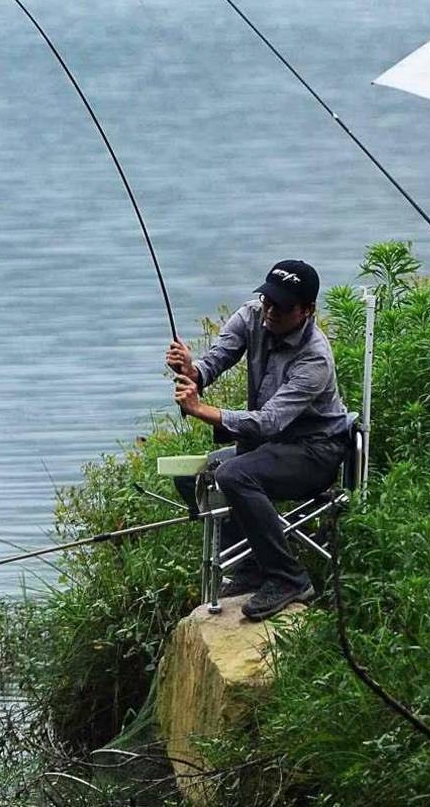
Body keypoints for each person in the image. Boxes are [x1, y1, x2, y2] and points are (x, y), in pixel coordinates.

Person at [166, 259, 351, 622]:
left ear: (307, 310)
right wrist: (192, 370)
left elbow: (268, 422)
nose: (270, 311)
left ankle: (289, 578)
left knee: (235, 475)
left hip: (314, 452)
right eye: (267, 300)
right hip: (270, 448)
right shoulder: (252, 316)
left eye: (281, 307)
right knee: (192, 478)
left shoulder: (315, 357)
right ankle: (252, 566)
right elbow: (214, 361)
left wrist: (201, 409)